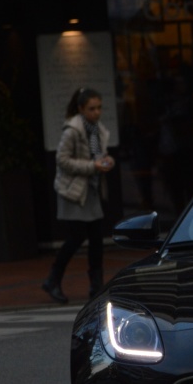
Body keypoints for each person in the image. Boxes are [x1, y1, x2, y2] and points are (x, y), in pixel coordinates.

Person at [42, 87, 114, 304]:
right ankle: (53, 279)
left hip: (90, 190)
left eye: (99, 107)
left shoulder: (97, 129)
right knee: (76, 237)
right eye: (92, 108)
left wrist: (107, 161)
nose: (97, 112)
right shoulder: (72, 130)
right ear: (81, 109)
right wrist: (92, 166)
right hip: (74, 191)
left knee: (96, 239)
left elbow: (98, 155)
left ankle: (96, 286)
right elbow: (62, 160)